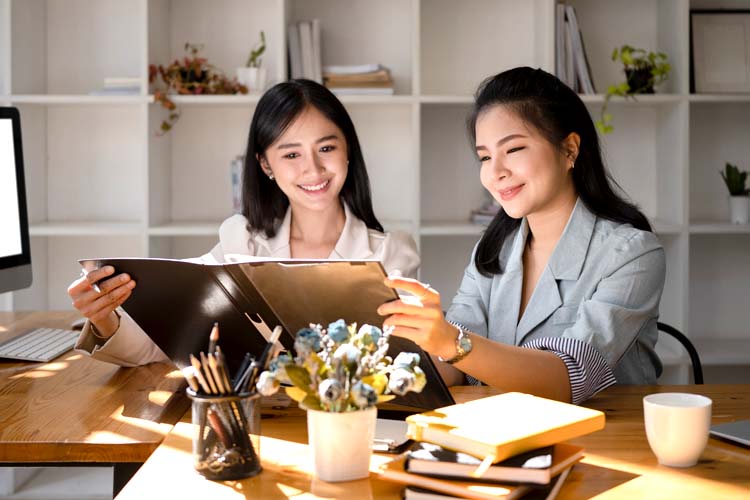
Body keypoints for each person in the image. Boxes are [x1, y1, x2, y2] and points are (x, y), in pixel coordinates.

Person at [69, 79, 420, 367]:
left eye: (326, 148)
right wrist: (104, 318)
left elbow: (407, 365)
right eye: (291, 154)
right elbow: (163, 345)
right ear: (266, 165)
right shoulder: (242, 243)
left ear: (348, 151)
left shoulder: (391, 254)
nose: (312, 169)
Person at [378, 67, 665, 404]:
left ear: (570, 149)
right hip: (505, 436)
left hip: (609, 442)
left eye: (513, 150)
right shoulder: (493, 250)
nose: (496, 172)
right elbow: (454, 366)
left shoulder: (633, 254)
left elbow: (568, 377)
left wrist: (452, 343)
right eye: (485, 156)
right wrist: (392, 364)